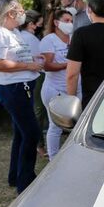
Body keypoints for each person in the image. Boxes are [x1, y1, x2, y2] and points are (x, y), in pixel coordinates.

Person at [0, 0, 44, 194]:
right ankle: (25, 181)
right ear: (10, 13)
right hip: (14, 88)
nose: (23, 14)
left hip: (23, 85)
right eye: (21, 10)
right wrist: (29, 65)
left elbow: (14, 57)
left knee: (21, 133)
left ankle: (15, 175)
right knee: (32, 133)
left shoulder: (13, 32)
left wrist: (32, 60)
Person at [40, 9, 79, 158]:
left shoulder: (74, 38)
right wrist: (69, 65)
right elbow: (47, 65)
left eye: (71, 21)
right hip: (54, 89)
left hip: (74, 88)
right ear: (57, 23)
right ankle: (53, 158)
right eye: (66, 21)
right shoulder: (49, 40)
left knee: (77, 124)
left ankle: (74, 155)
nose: (70, 24)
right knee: (55, 126)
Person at [18, 10, 47, 156]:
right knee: (39, 110)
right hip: (37, 76)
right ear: (31, 24)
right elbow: (39, 60)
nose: (39, 27)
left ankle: (38, 142)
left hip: (27, 77)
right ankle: (39, 144)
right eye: (39, 24)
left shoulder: (19, 37)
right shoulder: (30, 39)